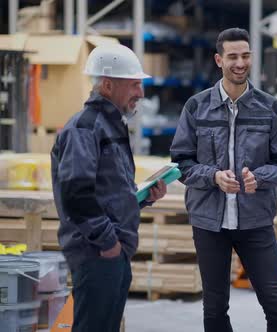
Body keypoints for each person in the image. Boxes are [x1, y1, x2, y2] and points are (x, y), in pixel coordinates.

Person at [170, 28, 277, 332]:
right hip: (209, 223)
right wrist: (213, 176)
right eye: (232, 57)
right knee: (214, 307)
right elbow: (181, 162)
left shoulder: (270, 108)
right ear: (219, 59)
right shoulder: (196, 107)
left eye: (245, 55)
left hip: (255, 220)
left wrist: (260, 178)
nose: (240, 63)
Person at [51, 44, 167, 332]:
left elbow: (107, 192)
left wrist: (142, 199)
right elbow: (76, 194)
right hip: (97, 252)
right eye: (134, 84)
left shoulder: (111, 125)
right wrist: (108, 244)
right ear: (107, 84)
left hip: (114, 251)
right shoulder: (85, 127)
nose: (140, 92)